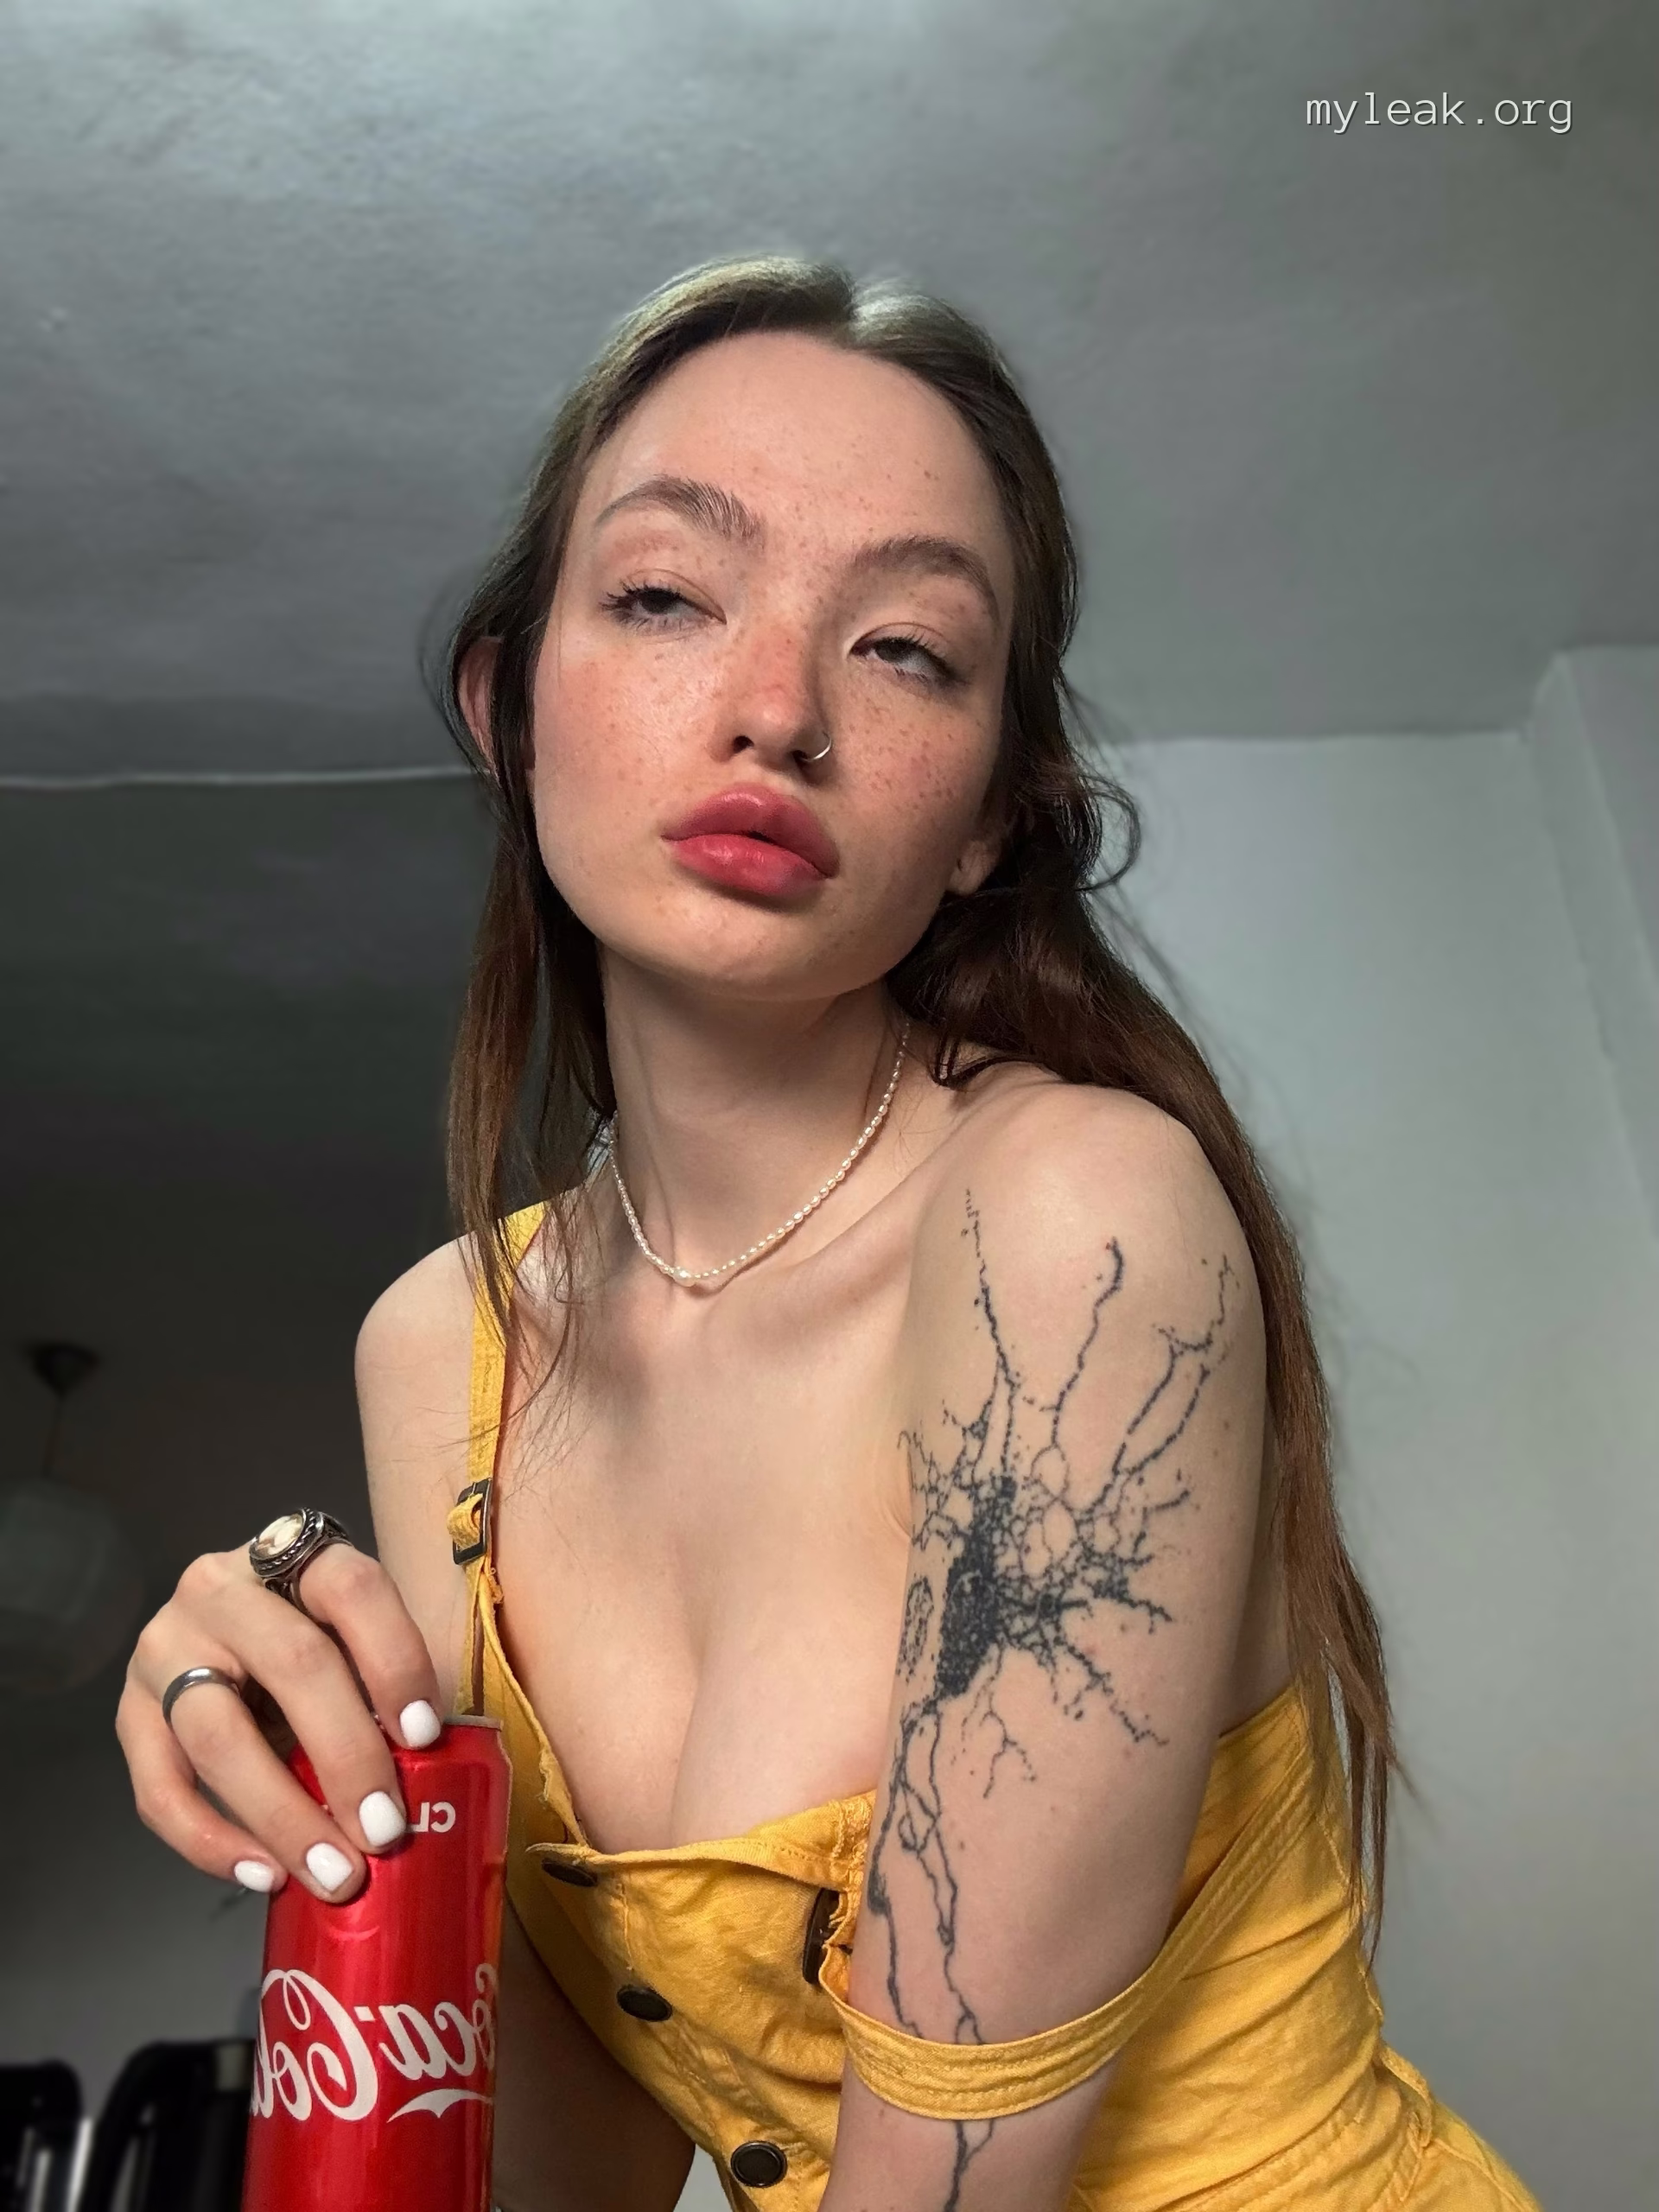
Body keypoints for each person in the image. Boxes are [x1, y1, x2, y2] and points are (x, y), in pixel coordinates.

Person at [115, 257, 1541, 2212]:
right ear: (509, 707)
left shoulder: (1073, 1224)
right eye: (665, 596)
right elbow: (567, 2174)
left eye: (905, 649)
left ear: (989, 819)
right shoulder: (443, 1343)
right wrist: (323, 1798)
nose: (776, 708)